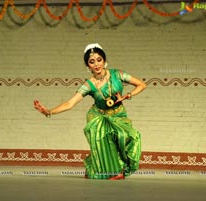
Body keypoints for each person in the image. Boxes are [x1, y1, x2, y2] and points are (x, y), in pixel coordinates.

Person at [34, 43, 146, 180]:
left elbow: (142, 84)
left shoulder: (118, 74)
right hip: (99, 117)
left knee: (131, 137)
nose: (96, 64)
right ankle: (116, 172)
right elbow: (70, 103)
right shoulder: (89, 85)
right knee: (105, 145)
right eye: (91, 62)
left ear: (104, 61)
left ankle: (105, 168)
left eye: (99, 60)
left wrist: (128, 95)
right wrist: (49, 111)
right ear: (88, 66)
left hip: (119, 115)